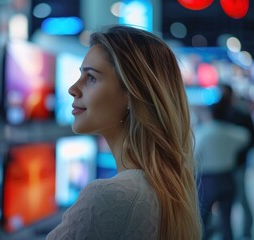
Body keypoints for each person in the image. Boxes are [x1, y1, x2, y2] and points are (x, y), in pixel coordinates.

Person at [46, 25, 202, 240]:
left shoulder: (109, 197)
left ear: (131, 93)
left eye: (91, 78)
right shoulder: (169, 189)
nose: (73, 88)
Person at [194, 92, 250, 240]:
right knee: (227, 220)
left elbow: (194, 155)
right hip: (227, 178)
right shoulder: (231, 132)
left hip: (207, 179)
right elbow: (246, 137)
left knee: (202, 220)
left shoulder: (203, 133)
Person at [220, 84, 254, 239]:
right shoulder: (222, 112)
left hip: (237, 164)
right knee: (227, 201)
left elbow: (250, 138)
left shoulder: (238, 113)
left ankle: (247, 229)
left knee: (241, 197)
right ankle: (227, 231)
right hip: (224, 165)